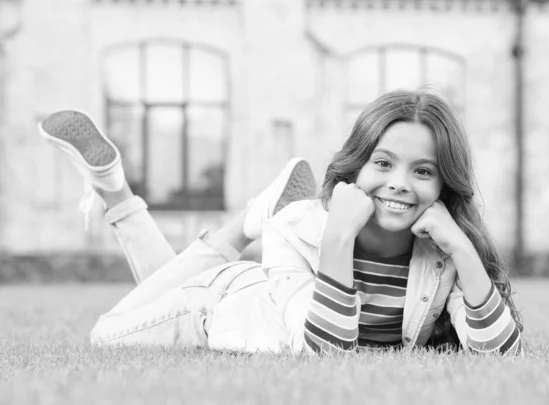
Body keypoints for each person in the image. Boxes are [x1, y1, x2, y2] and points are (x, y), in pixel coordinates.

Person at [38, 89, 523, 355]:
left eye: (423, 172)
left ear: (444, 185)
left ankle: (117, 187)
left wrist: (462, 248)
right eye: (382, 164)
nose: (399, 183)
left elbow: (500, 353)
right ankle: (243, 220)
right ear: (354, 169)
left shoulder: (444, 245)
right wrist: (337, 236)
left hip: (270, 279)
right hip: (217, 305)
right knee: (106, 335)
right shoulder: (307, 230)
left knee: (155, 281)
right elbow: (323, 349)